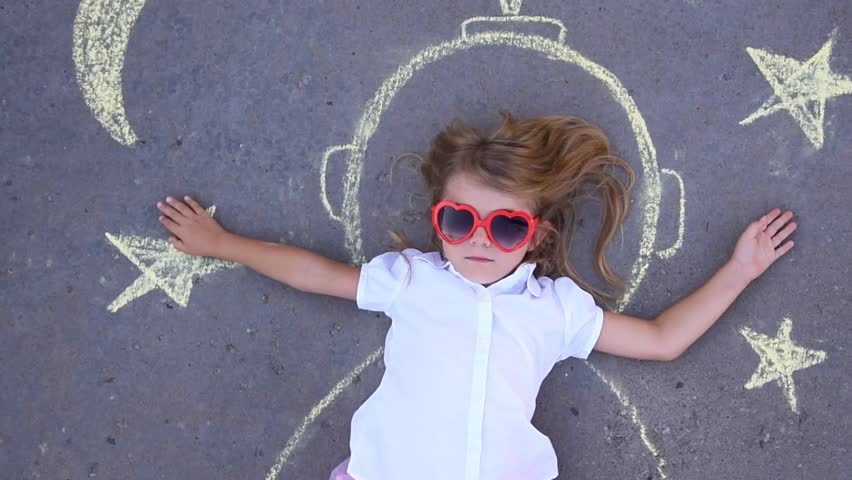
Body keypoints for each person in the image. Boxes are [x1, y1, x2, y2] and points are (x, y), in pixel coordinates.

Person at [154, 111, 796, 480]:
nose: (479, 240)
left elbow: (661, 340)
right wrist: (221, 243)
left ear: (536, 233)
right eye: (460, 221)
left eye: (507, 225)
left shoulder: (556, 309)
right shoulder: (411, 279)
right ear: (439, 219)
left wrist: (740, 268)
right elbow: (316, 273)